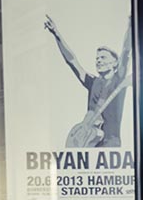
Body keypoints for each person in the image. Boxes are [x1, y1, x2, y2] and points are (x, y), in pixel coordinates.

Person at [44, 14, 131, 147]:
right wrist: (57, 35)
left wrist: (131, 24)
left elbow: (126, 50)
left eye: (103, 58)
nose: (98, 61)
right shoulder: (92, 82)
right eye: (97, 58)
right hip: (88, 143)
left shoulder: (118, 79)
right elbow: (72, 61)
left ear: (115, 63)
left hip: (110, 144)